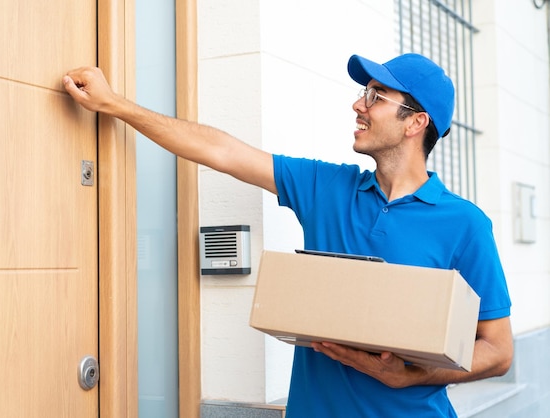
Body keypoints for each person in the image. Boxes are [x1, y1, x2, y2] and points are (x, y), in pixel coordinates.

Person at [63, 53, 513, 417]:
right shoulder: (328, 189)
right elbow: (221, 151)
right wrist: (115, 104)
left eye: (376, 96)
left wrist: (411, 376)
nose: (359, 105)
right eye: (364, 93)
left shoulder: (465, 224)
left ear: (415, 123)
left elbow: (498, 351)